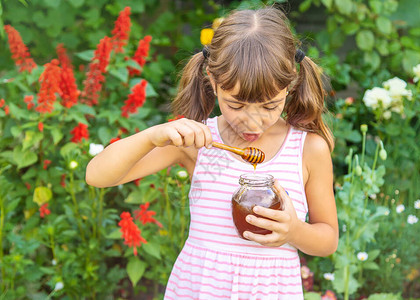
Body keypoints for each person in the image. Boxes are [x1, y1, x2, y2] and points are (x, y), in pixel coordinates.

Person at [86, 6, 338, 299]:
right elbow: (97, 176)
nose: (252, 120)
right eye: (236, 105)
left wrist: (294, 230)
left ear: (290, 84)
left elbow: (328, 239)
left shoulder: (307, 149)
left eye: (269, 106)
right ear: (213, 81)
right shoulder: (198, 141)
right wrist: (151, 137)